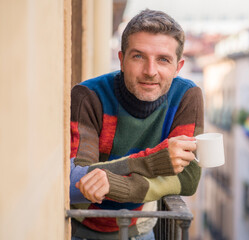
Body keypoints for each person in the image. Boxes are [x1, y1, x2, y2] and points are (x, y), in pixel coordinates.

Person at [70, 9, 204, 240]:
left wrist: (116, 184)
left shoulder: (186, 96)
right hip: (79, 230)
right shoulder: (88, 96)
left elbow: (188, 179)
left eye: (163, 59)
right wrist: (156, 161)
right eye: (138, 56)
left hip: (141, 230)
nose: (150, 71)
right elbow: (77, 182)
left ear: (178, 67)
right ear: (122, 60)